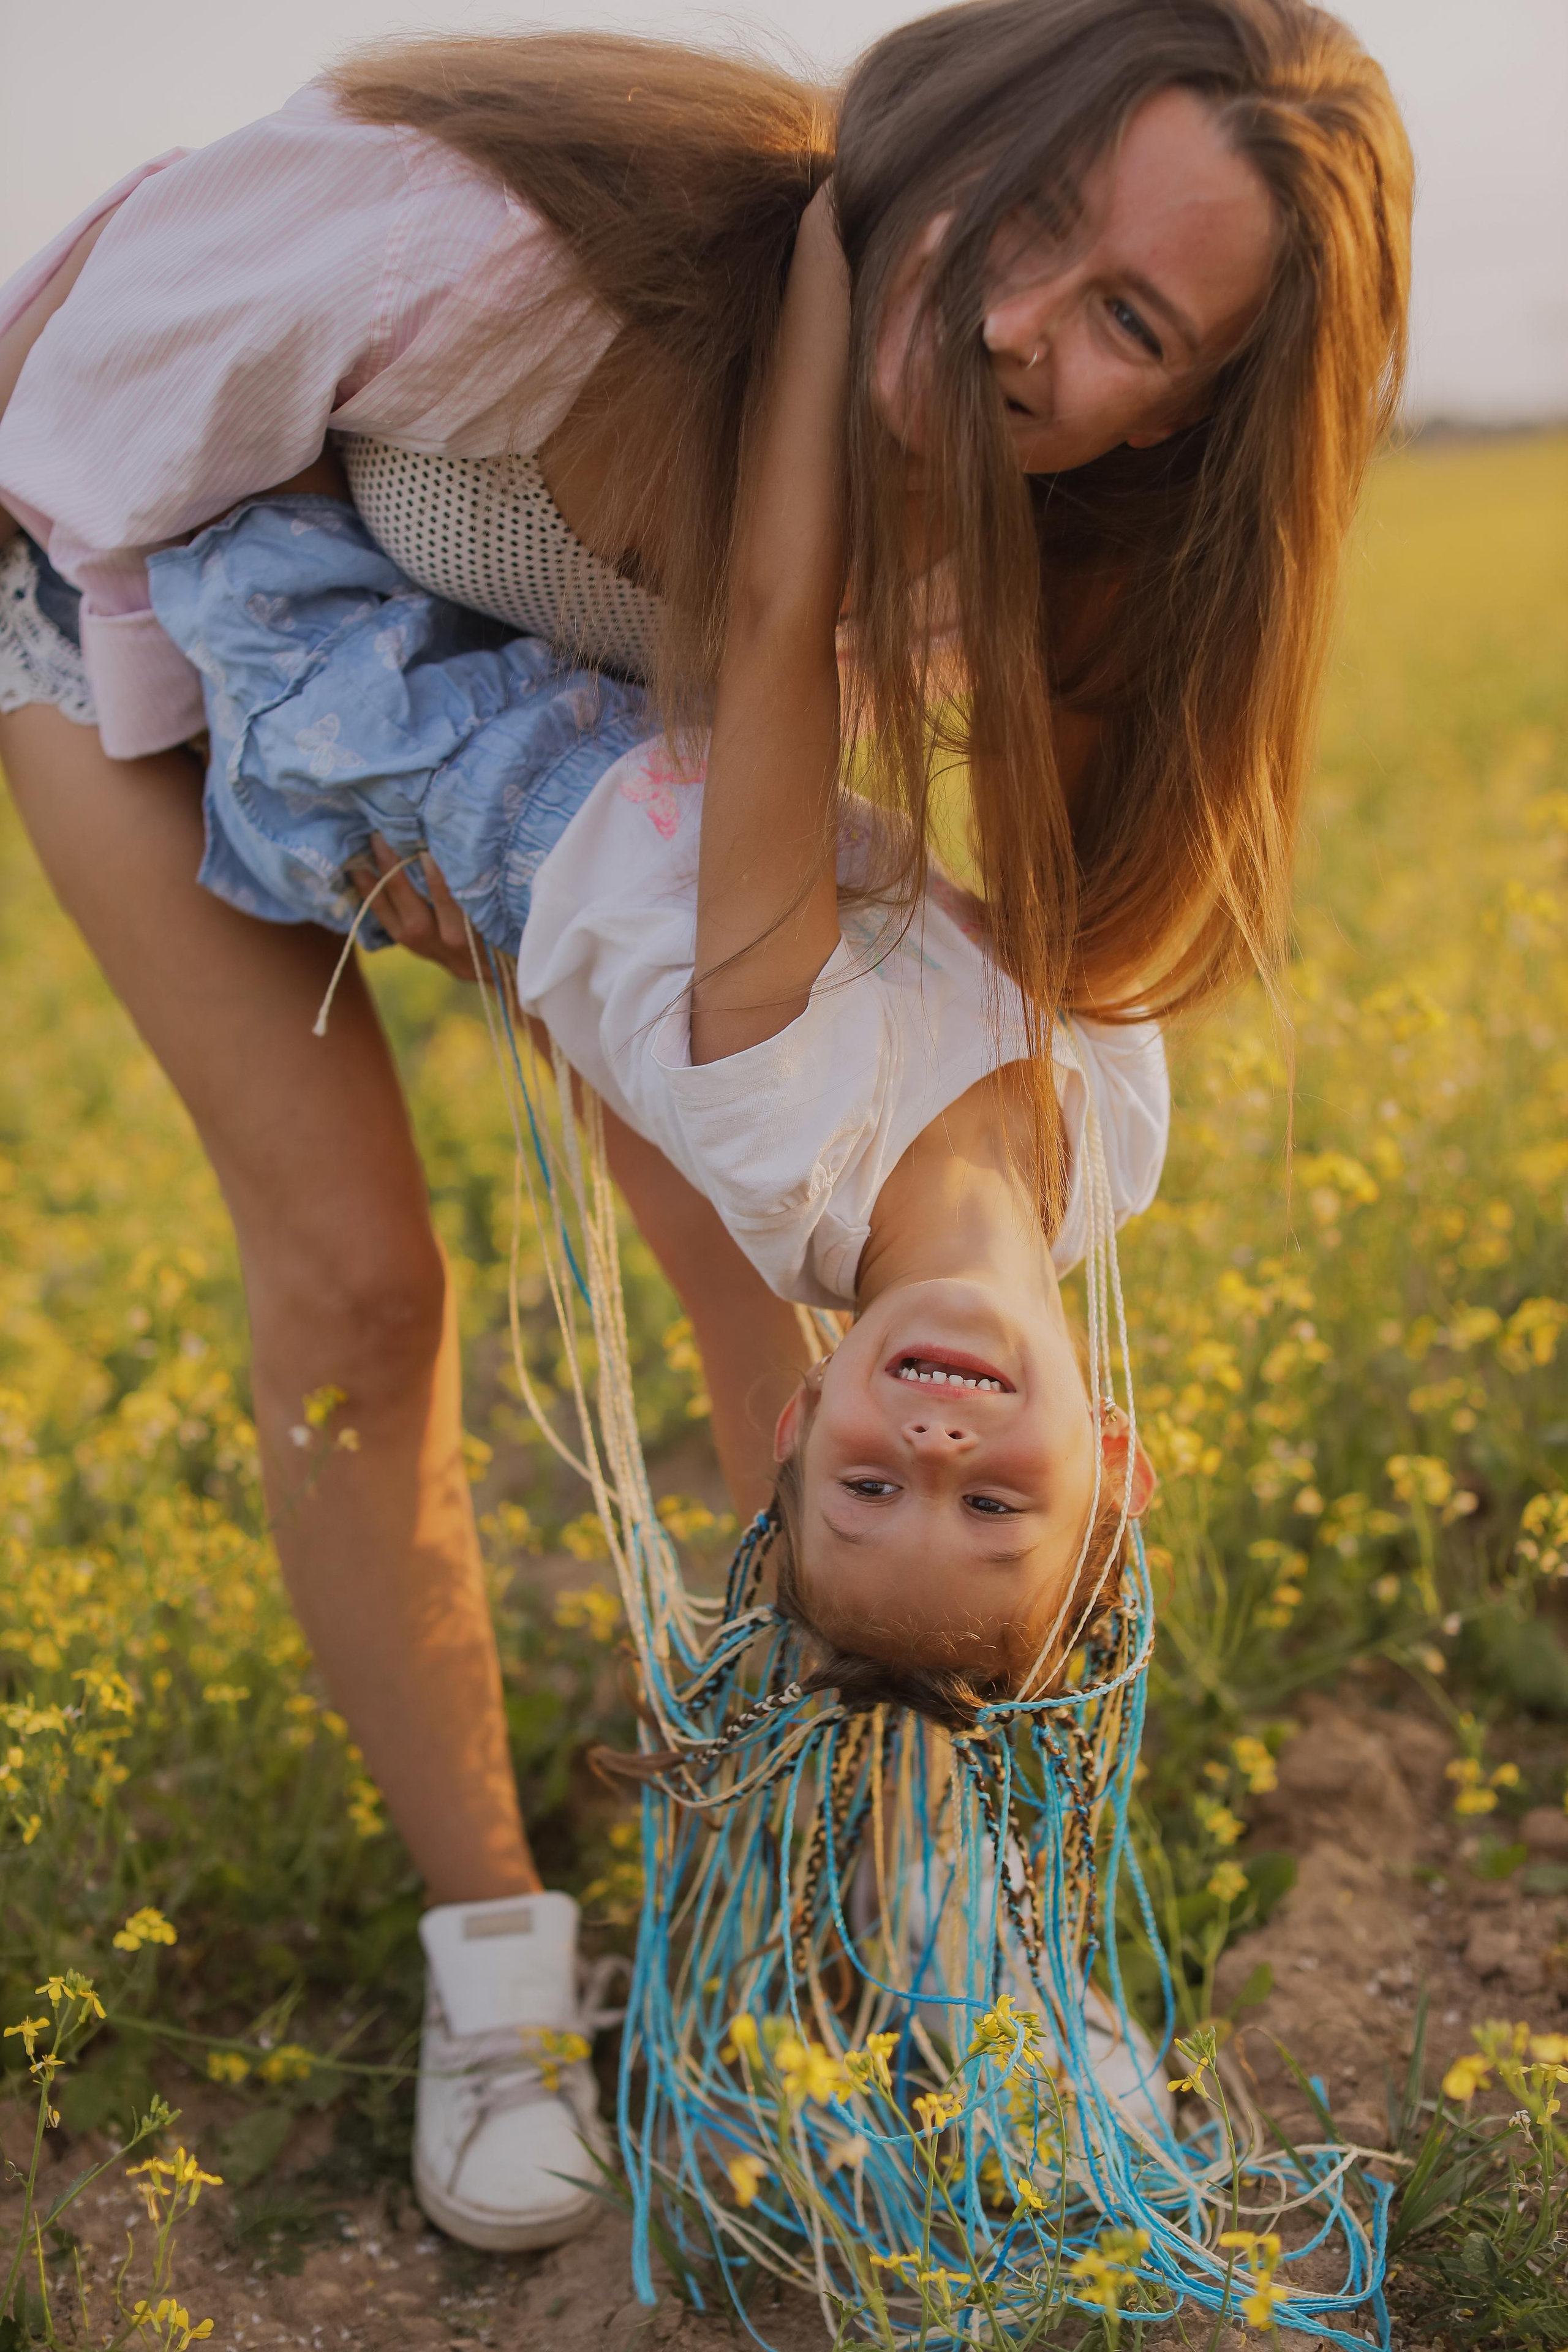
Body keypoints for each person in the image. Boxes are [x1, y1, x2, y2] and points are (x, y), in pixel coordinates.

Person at [0, 0, 1409, 2251]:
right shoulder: (467, 245)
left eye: (1131, 317)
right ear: (962, 128)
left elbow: (798, 803)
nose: (1028, 324)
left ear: (1197, 412)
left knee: (819, 1300)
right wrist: (315, 824)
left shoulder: (1047, 517)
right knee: (367, 1279)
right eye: (1025, 219)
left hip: (594, 778)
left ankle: (950, 1931)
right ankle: (499, 1974)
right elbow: (71, 444)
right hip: (135, 564)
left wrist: (571, 941)